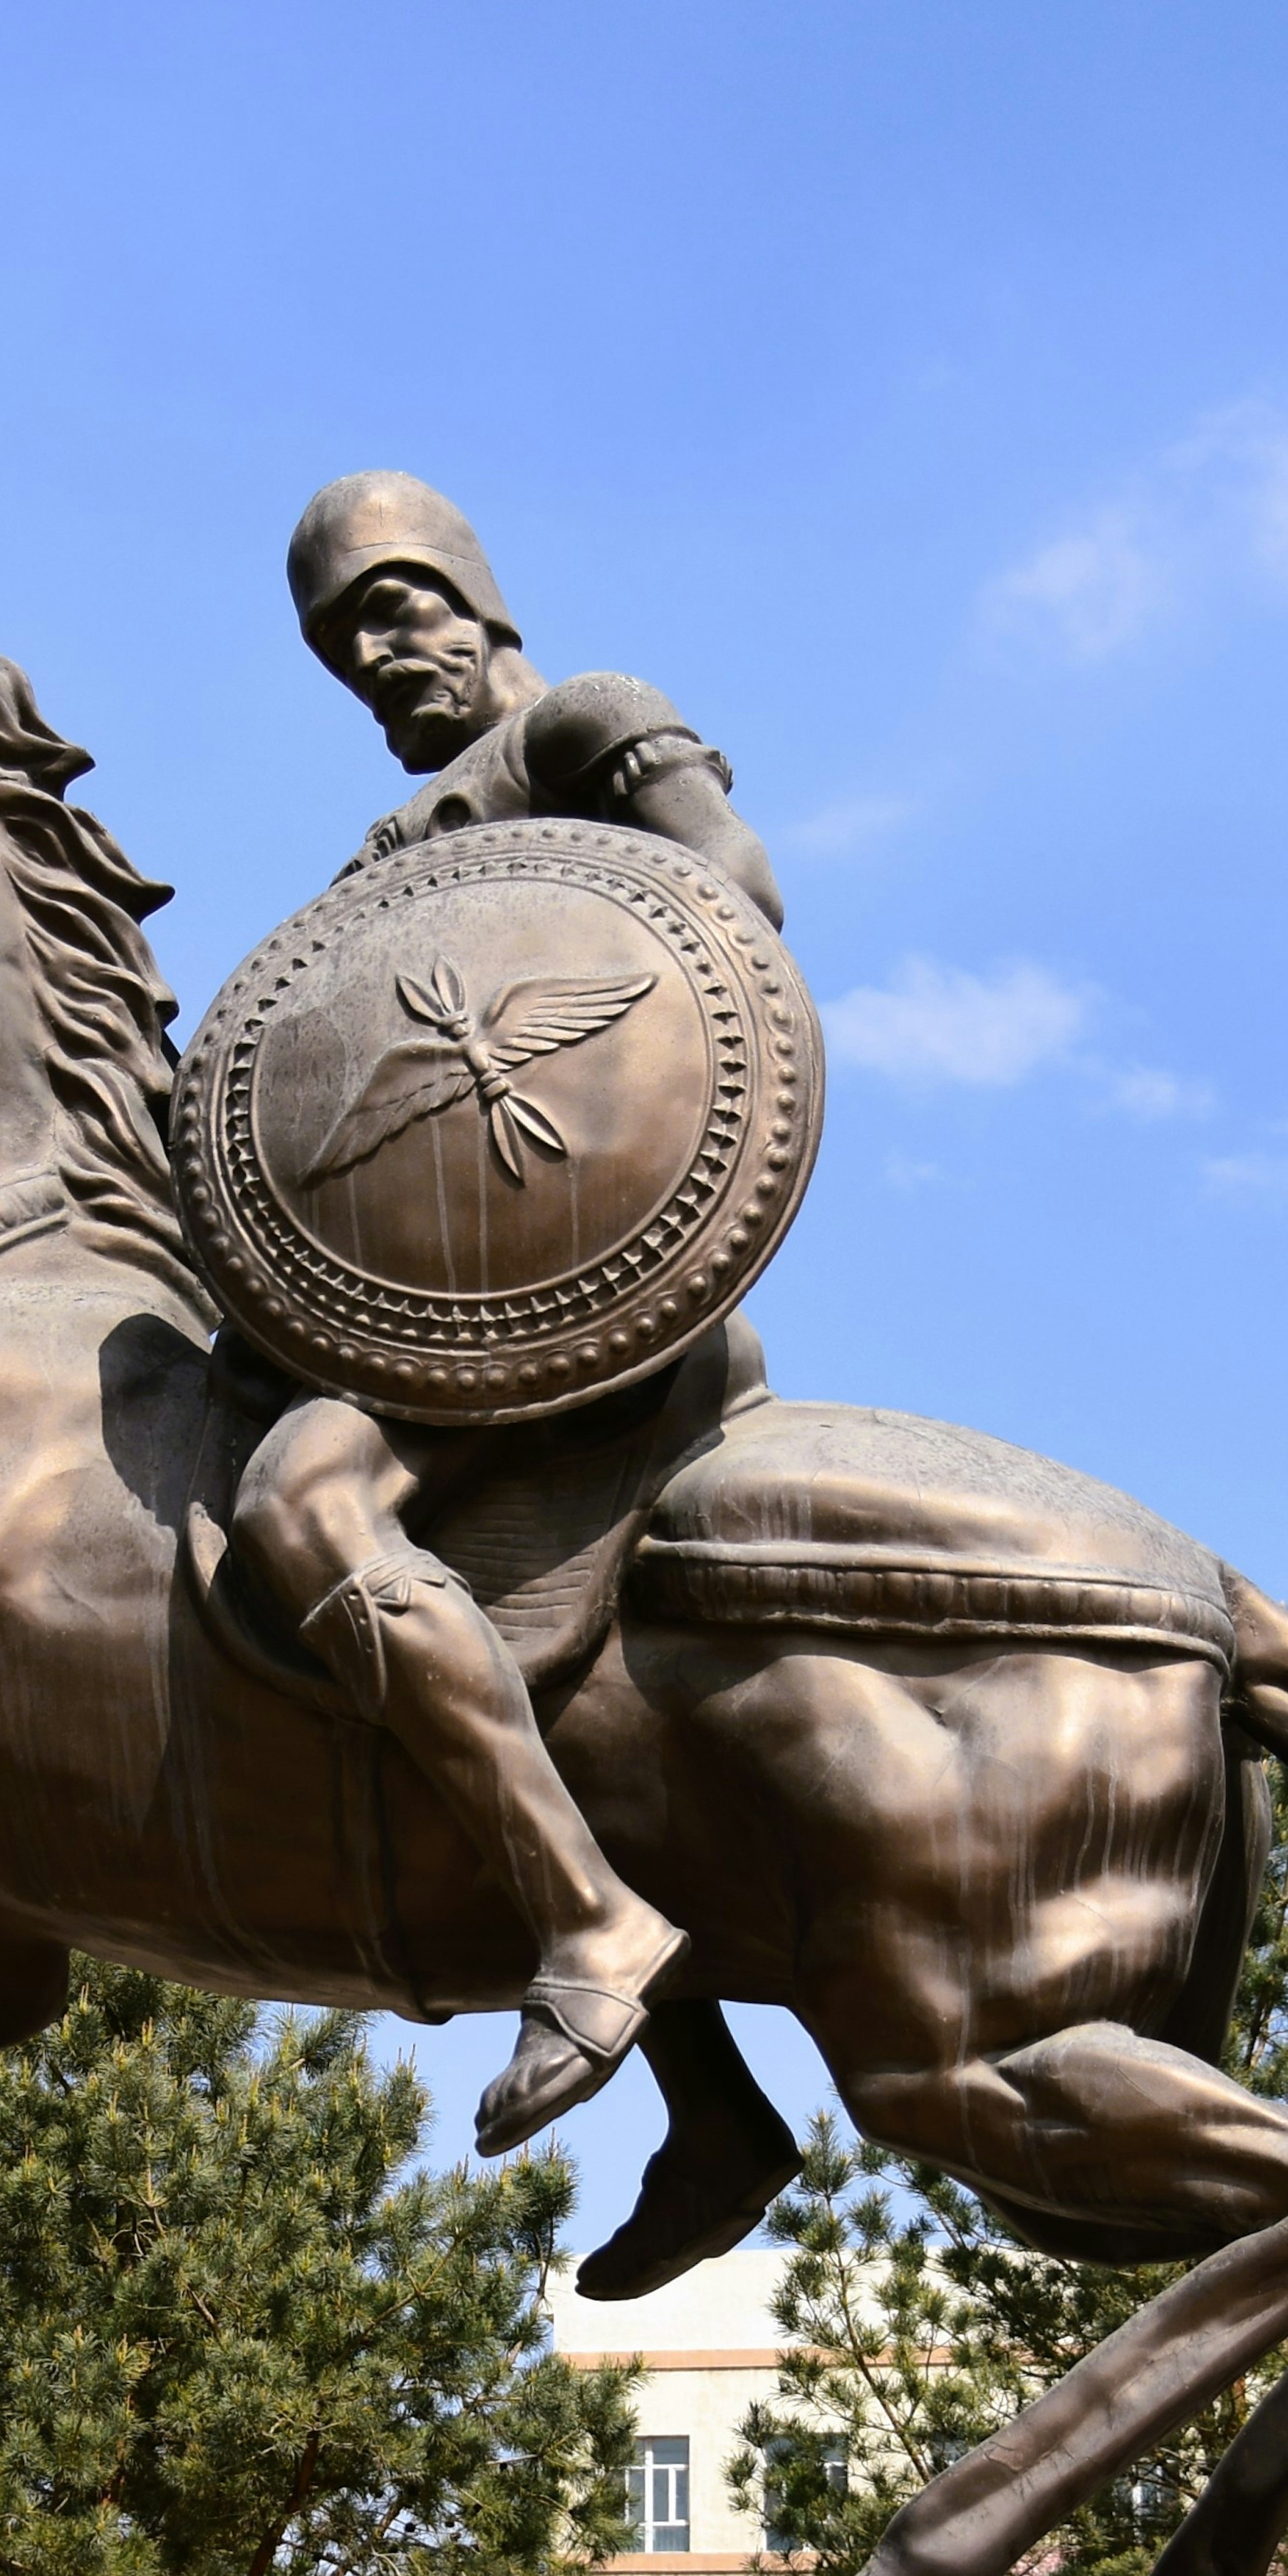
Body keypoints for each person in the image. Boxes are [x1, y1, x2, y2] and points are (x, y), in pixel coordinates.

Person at [232, 471, 788, 2163]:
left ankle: (589, 1925)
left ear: (477, 595)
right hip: (438, 1304)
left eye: (397, 608)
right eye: (343, 645)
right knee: (515, 1658)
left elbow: (734, 898)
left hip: (565, 1304)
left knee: (302, 1501)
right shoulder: (382, 855)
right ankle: (719, 2117)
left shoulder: (591, 726)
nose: (378, 656)